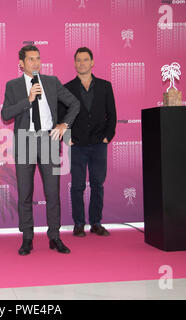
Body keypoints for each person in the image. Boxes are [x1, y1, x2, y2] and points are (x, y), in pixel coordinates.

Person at [2, 45, 80, 256]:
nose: (36, 63)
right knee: (25, 194)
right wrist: (27, 100)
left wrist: (65, 125)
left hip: (48, 140)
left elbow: (74, 104)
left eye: (38, 58)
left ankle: (55, 237)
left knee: (53, 193)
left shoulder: (51, 82)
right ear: (21, 63)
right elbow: (5, 114)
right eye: (30, 59)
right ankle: (27, 238)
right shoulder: (13, 85)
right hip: (25, 141)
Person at [59, 47, 116, 237]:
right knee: (77, 186)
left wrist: (107, 136)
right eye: (78, 60)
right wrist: (68, 139)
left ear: (92, 62)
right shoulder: (67, 88)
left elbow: (112, 115)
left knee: (97, 184)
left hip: (99, 144)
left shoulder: (105, 86)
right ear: (74, 63)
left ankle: (96, 223)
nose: (81, 63)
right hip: (78, 145)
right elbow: (61, 117)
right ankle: (78, 223)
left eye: (85, 60)